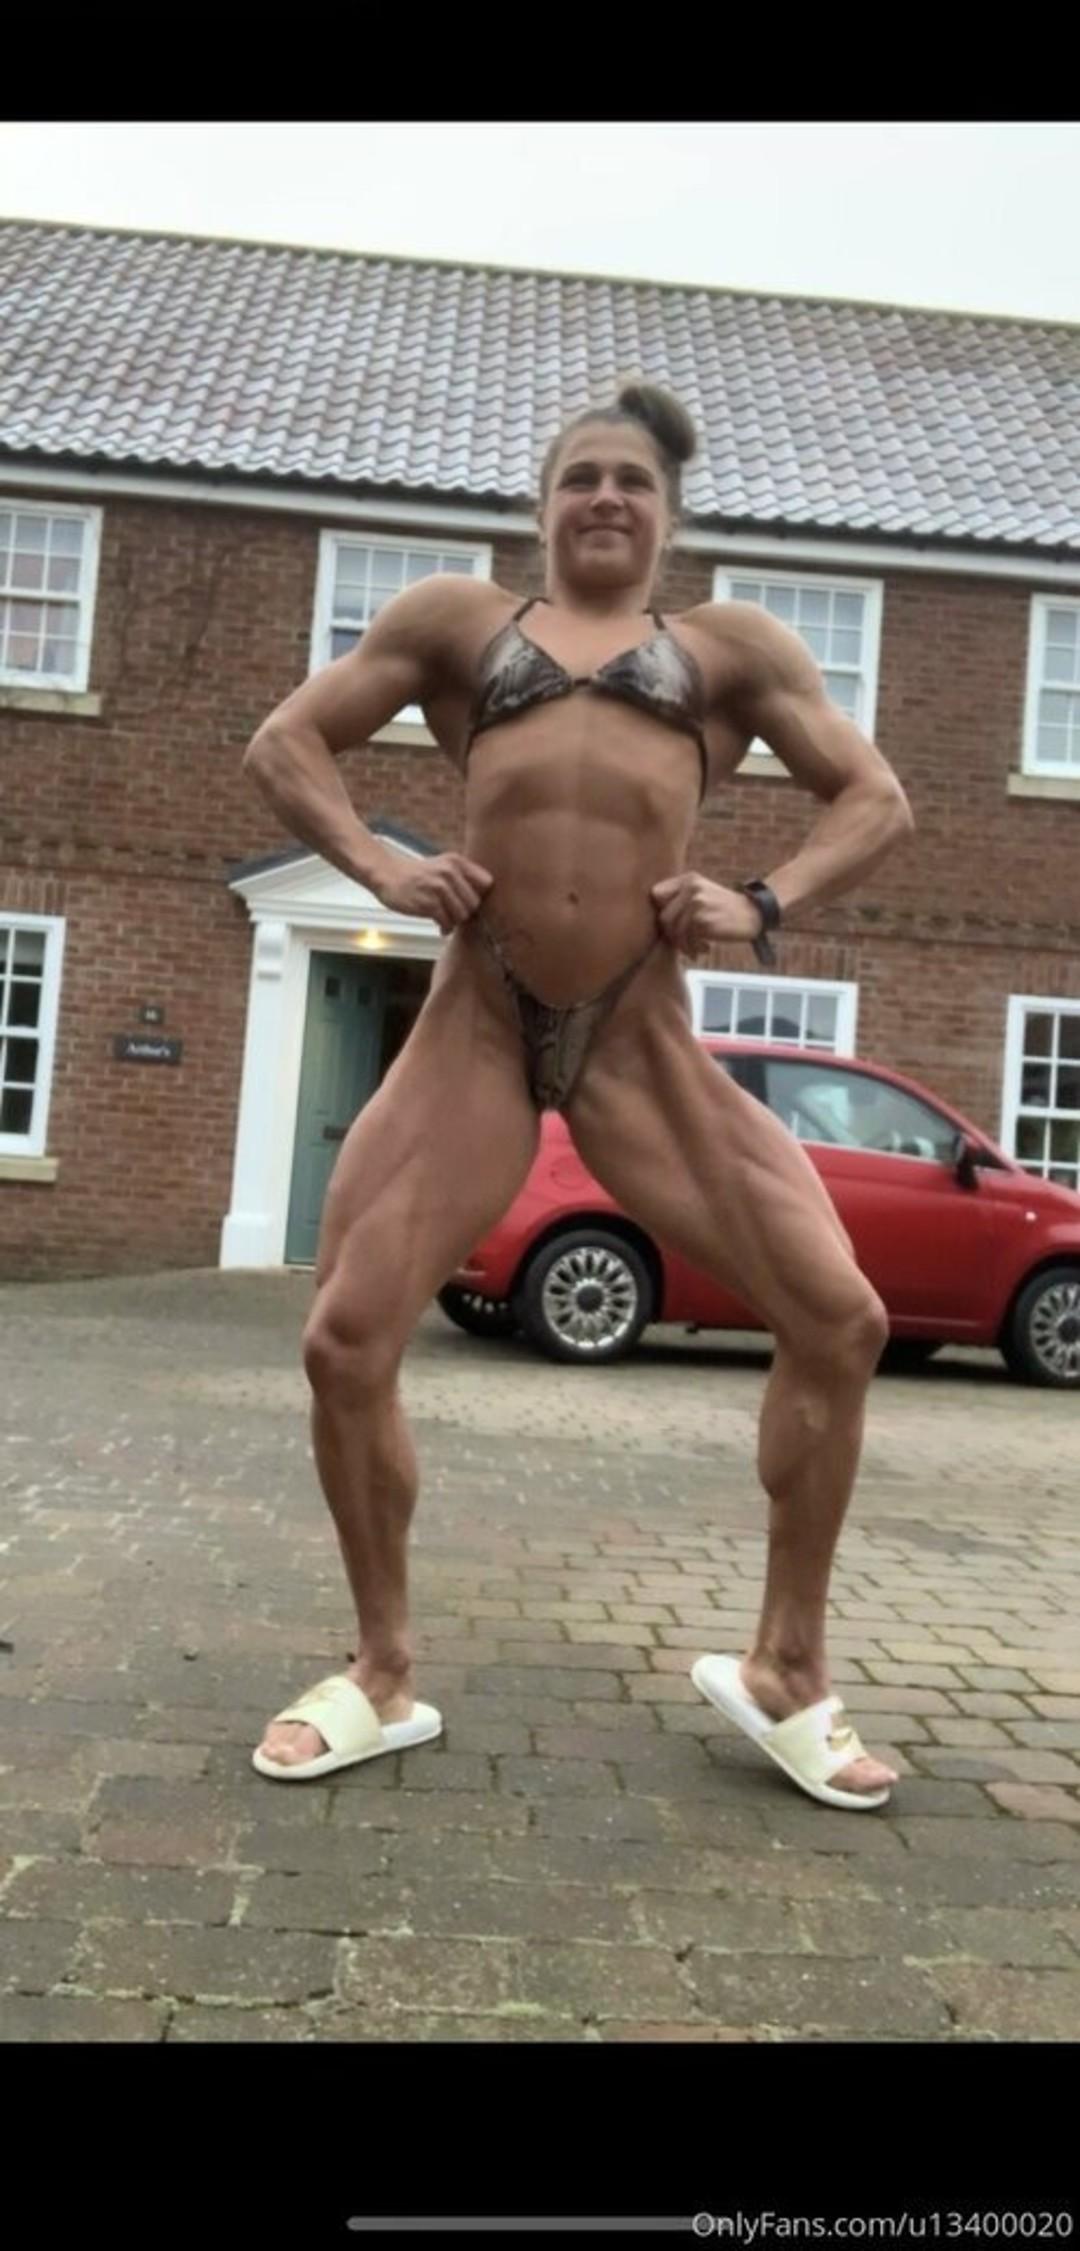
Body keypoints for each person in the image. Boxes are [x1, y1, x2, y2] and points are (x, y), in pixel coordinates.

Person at [244, 382, 913, 1810]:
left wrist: (762, 900)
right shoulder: (455, 625)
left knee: (841, 1319)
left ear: (670, 518)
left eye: (635, 482)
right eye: (582, 477)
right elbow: (284, 744)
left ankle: (789, 1667)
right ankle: (380, 1670)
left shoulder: (728, 652)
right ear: (543, 505)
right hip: (479, 1028)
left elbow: (876, 798)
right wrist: (382, 865)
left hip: (638, 1039)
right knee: (346, 1340)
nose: (607, 497)